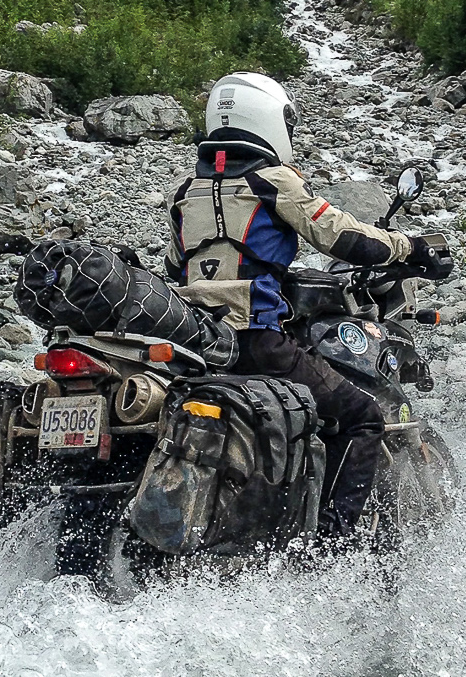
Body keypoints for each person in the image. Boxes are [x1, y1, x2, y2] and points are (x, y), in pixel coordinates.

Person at [166, 70, 451, 537]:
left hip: (196, 342)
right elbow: (342, 236)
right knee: (362, 417)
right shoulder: (273, 181)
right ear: (266, 119)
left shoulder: (184, 194)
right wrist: (410, 247)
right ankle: (332, 549)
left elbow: (179, 265)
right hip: (257, 341)